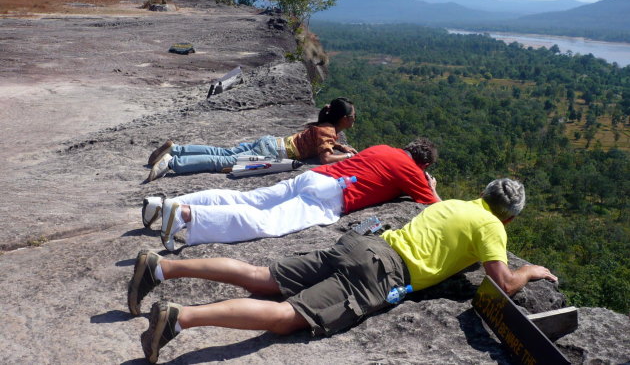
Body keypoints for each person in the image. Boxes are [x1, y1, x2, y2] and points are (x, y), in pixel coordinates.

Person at [128, 178, 558, 363]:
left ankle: (163, 266)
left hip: (364, 244)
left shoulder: (453, 204)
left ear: (483, 193)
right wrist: (530, 272)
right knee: (287, 318)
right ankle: (181, 318)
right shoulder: (491, 227)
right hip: (384, 273)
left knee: (262, 276)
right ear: (510, 218)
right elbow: (502, 281)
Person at [142, 138, 441, 251]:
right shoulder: (412, 171)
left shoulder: (383, 148)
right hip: (331, 196)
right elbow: (436, 206)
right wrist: (432, 186)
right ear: (423, 163)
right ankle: (183, 215)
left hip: (313, 177)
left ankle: (168, 205)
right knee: (266, 222)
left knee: (249, 198)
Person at [145, 97, 358, 182]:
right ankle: (173, 163)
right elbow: (326, 159)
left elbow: (324, 141)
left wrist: (339, 144)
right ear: (343, 119)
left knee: (223, 153)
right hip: (271, 153)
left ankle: (177, 149)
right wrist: (348, 156)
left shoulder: (326, 127)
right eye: (352, 116)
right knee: (220, 162)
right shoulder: (328, 131)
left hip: (270, 142)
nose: (354, 119)